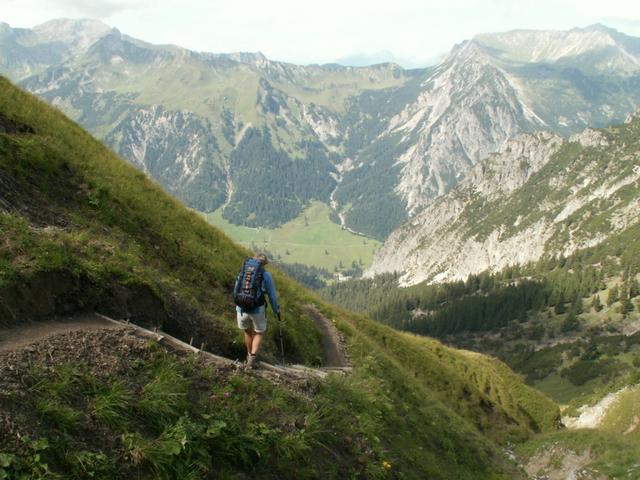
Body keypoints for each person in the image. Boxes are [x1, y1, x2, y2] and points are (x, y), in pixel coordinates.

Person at [234, 253, 279, 368]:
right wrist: (276, 310)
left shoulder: (243, 272)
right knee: (259, 332)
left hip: (241, 308)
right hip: (257, 309)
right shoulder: (265, 274)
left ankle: (248, 356)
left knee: (247, 331)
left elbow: (236, 290)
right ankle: (252, 358)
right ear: (264, 264)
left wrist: (238, 305)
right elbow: (272, 296)